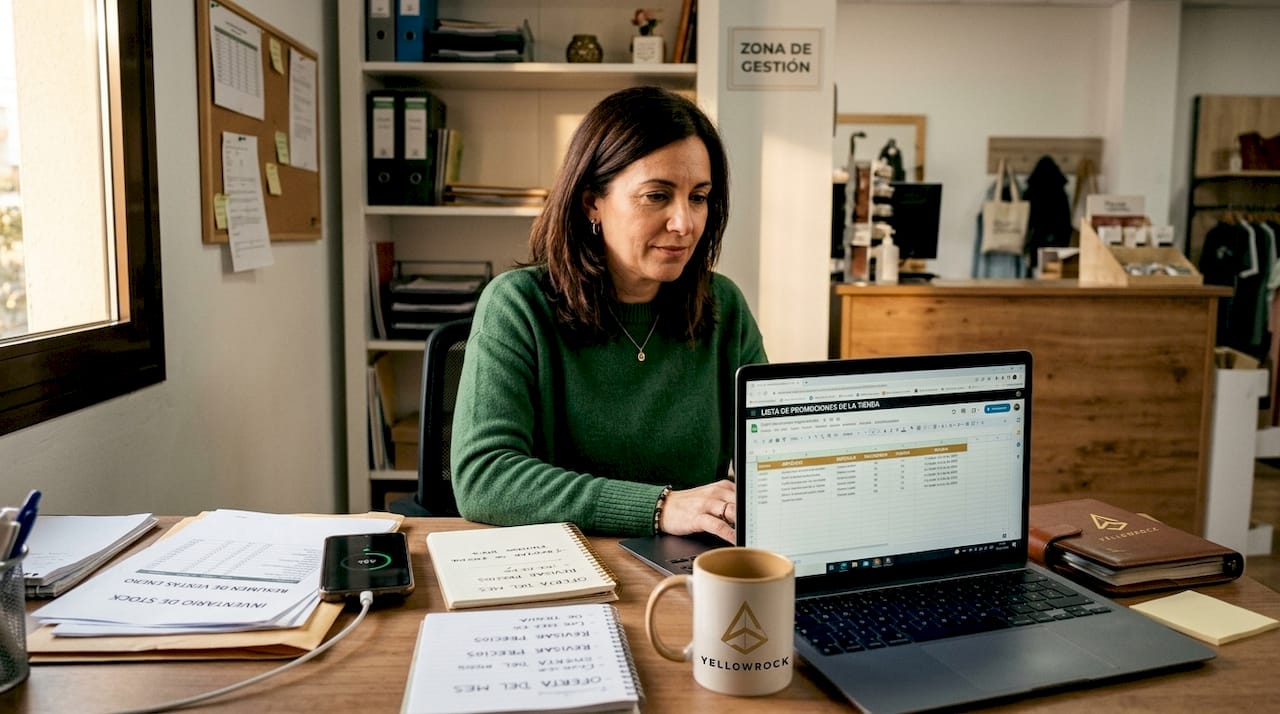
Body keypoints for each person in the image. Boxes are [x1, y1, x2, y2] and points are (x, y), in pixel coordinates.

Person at [450, 86, 767, 543]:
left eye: (698, 197)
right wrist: (660, 507)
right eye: (657, 196)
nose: (685, 223)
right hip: (558, 565)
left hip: (683, 567)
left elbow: (769, 460)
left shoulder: (723, 305)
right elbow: (484, 478)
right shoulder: (518, 304)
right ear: (591, 202)